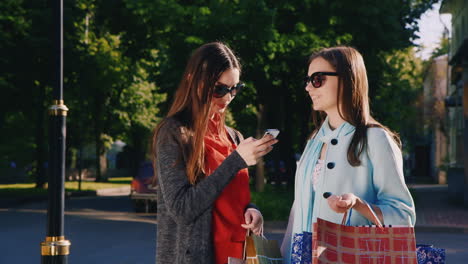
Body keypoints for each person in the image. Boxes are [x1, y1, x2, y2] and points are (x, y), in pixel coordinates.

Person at [281, 46, 416, 263]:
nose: (308, 87)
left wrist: (358, 205)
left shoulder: (376, 139)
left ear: (346, 79)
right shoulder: (313, 142)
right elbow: (297, 211)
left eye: (317, 79)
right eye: (307, 80)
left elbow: (403, 217)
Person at [152, 42, 278, 264]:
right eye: (219, 89)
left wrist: (253, 210)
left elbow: (231, 198)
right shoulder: (174, 133)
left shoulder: (234, 137)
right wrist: (236, 161)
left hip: (240, 257)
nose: (228, 98)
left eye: (235, 89)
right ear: (193, 80)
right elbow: (181, 209)